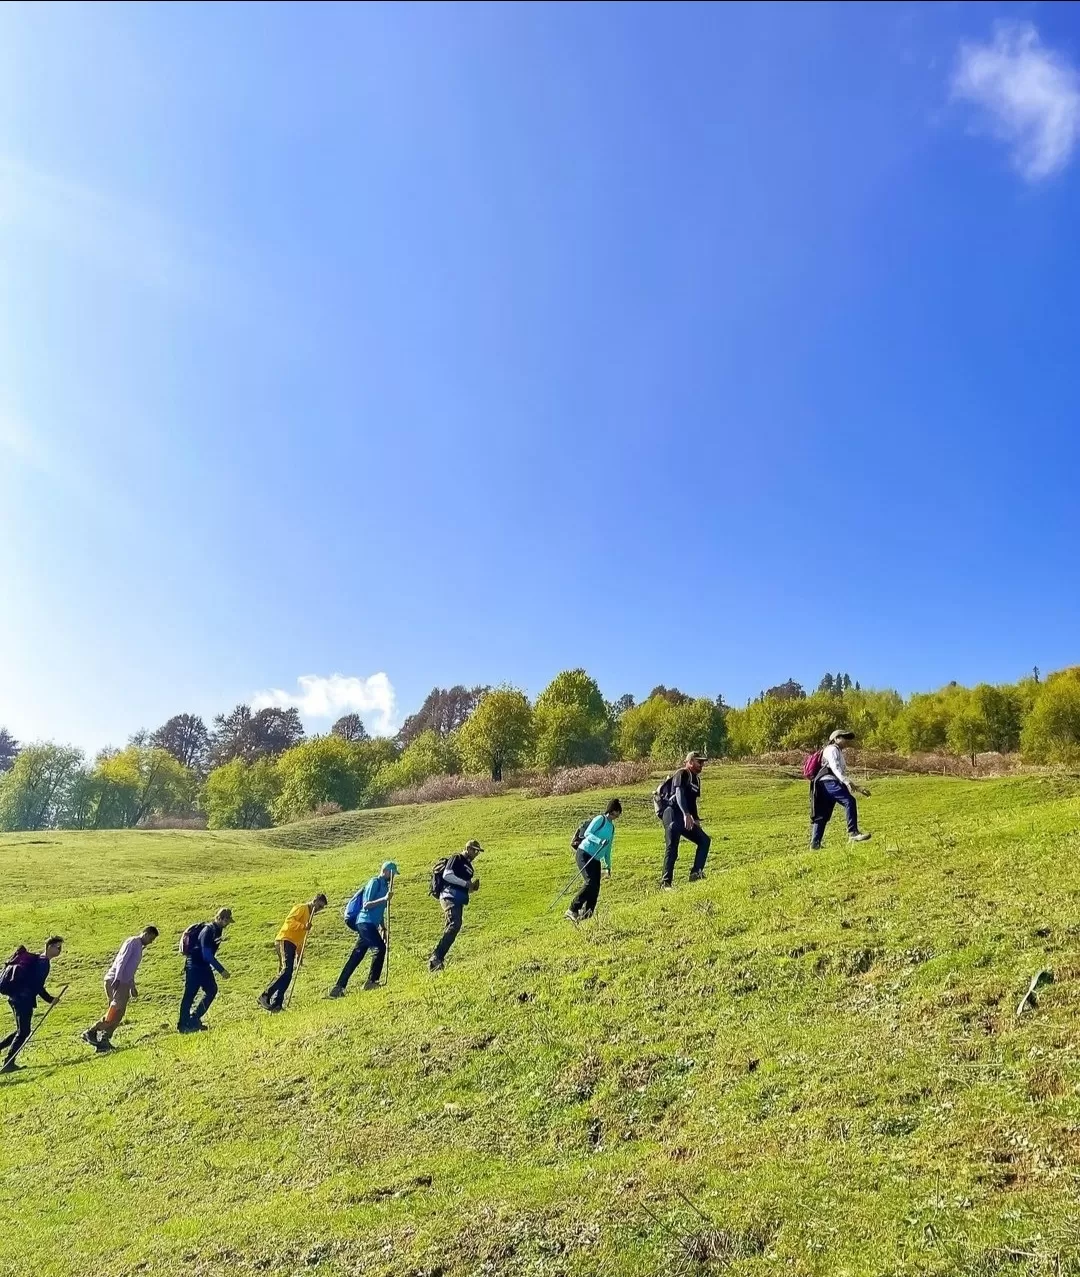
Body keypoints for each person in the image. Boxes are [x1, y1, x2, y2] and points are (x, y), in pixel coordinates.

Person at [81, 926, 159, 1052]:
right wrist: (117, 979)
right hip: (118, 981)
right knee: (115, 1010)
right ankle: (91, 1031)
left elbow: (130, 968)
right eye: (151, 938)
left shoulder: (139, 946)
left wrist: (132, 986)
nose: (151, 942)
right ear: (146, 933)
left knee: (119, 1013)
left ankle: (104, 1040)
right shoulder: (133, 942)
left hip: (124, 982)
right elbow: (122, 961)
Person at [327, 864, 397, 997]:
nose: (393, 877)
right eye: (392, 873)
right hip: (364, 922)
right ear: (386, 871)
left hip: (372, 924)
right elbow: (367, 904)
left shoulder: (385, 886)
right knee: (379, 948)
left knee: (357, 955)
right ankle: (371, 982)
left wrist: (382, 927)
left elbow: (380, 910)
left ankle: (338, 988)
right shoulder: (374, 882)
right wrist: (384, 898)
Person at [0, 936, 63, 1074]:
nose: (59, 950)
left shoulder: (38, 960)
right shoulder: (43, 962)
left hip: (16, 997)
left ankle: (7, 1059)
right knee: (24, 1032)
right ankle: (8, 1063)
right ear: (49, 947)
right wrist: (50, 999)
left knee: (21, 1031)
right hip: (23, 999)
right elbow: (37, 985)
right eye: (57, 947)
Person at [259, 894, 327, 1012]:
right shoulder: (302, 908)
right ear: (314, 901)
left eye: (321, 908)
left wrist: (299, 954)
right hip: (285, 939)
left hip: (293, 944)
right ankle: (265, 995)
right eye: (319, 906)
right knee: (286, 970)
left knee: (288, 974)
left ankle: (277, 1003)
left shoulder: (309, 916)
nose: (318, 910)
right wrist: (303, 926)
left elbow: (301, 938)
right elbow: (289, 921)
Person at [809, 729, 872, 849]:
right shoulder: (832, 749)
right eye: (843, 737)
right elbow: (835, 768)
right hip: (828, 781)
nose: (846, 740)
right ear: (835, 739)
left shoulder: (837, 751)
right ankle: (853, 833)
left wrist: (857, 788)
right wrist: (847, 782)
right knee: (849, 801)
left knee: (822, 815)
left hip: (825, 783)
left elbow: (838, 772)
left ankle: (815, 844)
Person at [428, 840, 483, 971]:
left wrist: (472, 887)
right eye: (474, 850)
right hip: (449, 895)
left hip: (459, 898)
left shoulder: (470, 869)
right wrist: (466, 884)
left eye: (478, 852)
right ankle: (436, 957)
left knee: (454, 926)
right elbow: (447, 875)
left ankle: (437, 960)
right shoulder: (456, 858)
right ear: (468, 848)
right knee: (454, 924)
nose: (476, 854)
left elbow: (465, 885)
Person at [177, 908, 233, 1033]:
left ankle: (194, 1018)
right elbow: (206, 954)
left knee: (212, 990)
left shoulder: (218, 931)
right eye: (226, 920)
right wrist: (221, 970)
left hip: (203, 966)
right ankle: (183, 1024)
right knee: (190, 995)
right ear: (219, 918)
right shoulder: (208, 930)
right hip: (195, 966)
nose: (228, 923)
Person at [660, 752, 711, 888]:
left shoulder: (696, 780)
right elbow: (679, 793)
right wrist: (686, 814)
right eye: (699, 762)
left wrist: (696, 819)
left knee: (704, 840)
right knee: (672, 847)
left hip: (685, 816)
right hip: (671, 813)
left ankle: (696, 873)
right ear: (690, 762)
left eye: (703, 763)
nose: (702, 765)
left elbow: (692, 801)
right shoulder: (682, 773)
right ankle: (666, 883)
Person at [566, 799, 621, 923]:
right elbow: (588, 834)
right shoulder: (599, 819)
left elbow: (608, 848)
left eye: (618, 814)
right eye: (615, 812)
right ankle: (572, 909)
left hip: (596, 859)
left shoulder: (611, 828)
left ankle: (587, 916)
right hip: (584, 853)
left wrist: (608, 865)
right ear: (611, 810)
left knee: (595, 888)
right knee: (590, 882)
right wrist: (599, 841)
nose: (616, 816)